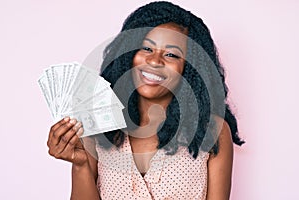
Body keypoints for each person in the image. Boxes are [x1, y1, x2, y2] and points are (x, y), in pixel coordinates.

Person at [47, 1, 244, 199]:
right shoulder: (97, 123)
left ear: (190, 68)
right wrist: (80, 165)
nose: (155, 61)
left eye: (171, 54)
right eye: (147, 49)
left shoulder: (212, 131)